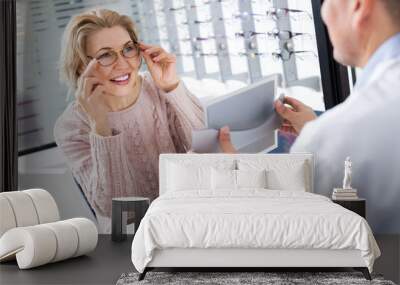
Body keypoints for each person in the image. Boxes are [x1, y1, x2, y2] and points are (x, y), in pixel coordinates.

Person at [220, 0, 400, 233]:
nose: (323, 15)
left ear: (358, 5)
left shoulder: (329, 142)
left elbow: (286, 245)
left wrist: (240, 182)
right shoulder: (337, 136)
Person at [54, 9, 205, 232]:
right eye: (105, 55)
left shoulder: (157, 88)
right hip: (130, 242)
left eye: (128, 49)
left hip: (186, 222)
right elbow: (114, 209)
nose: (123, 64)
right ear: (80, 66)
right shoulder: (71, 127)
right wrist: (100, 128)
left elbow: (209, 153)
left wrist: (172, 87)